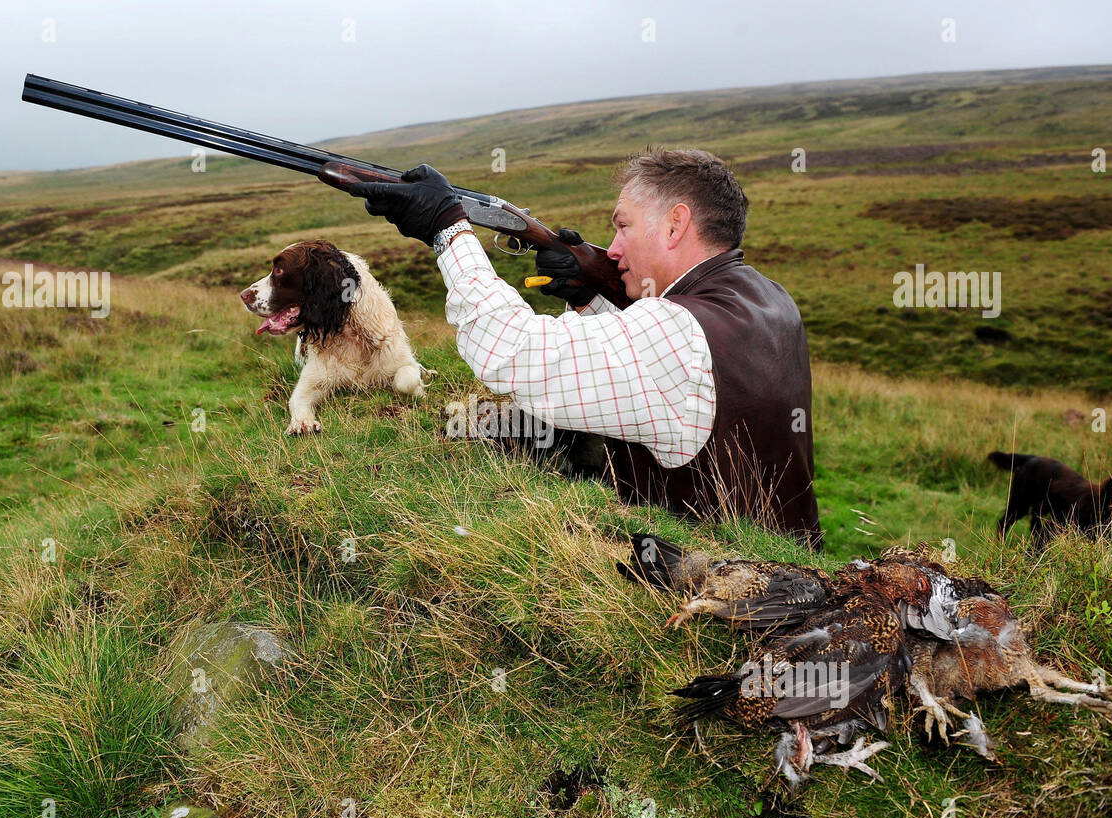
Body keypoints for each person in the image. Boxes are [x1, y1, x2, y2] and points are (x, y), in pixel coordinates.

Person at [349, 146, 822, 551]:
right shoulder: (770, 297)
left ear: (676, 225)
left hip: (706, 603)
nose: (613, 249)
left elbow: (511, 350)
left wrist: (447, 229)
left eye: (624, 227)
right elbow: (656, 381)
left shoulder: (677, 332)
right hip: (793, 574)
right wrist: (592, 297)